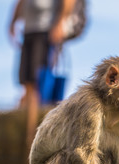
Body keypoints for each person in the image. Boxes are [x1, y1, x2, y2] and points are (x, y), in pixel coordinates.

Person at [9, 0, 76, 149]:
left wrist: (60, 23)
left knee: (38, 83)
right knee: (26, 82)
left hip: (46, 32)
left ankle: (32, 135)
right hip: (28, 31)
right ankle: (25, 124)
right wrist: (12, 21)